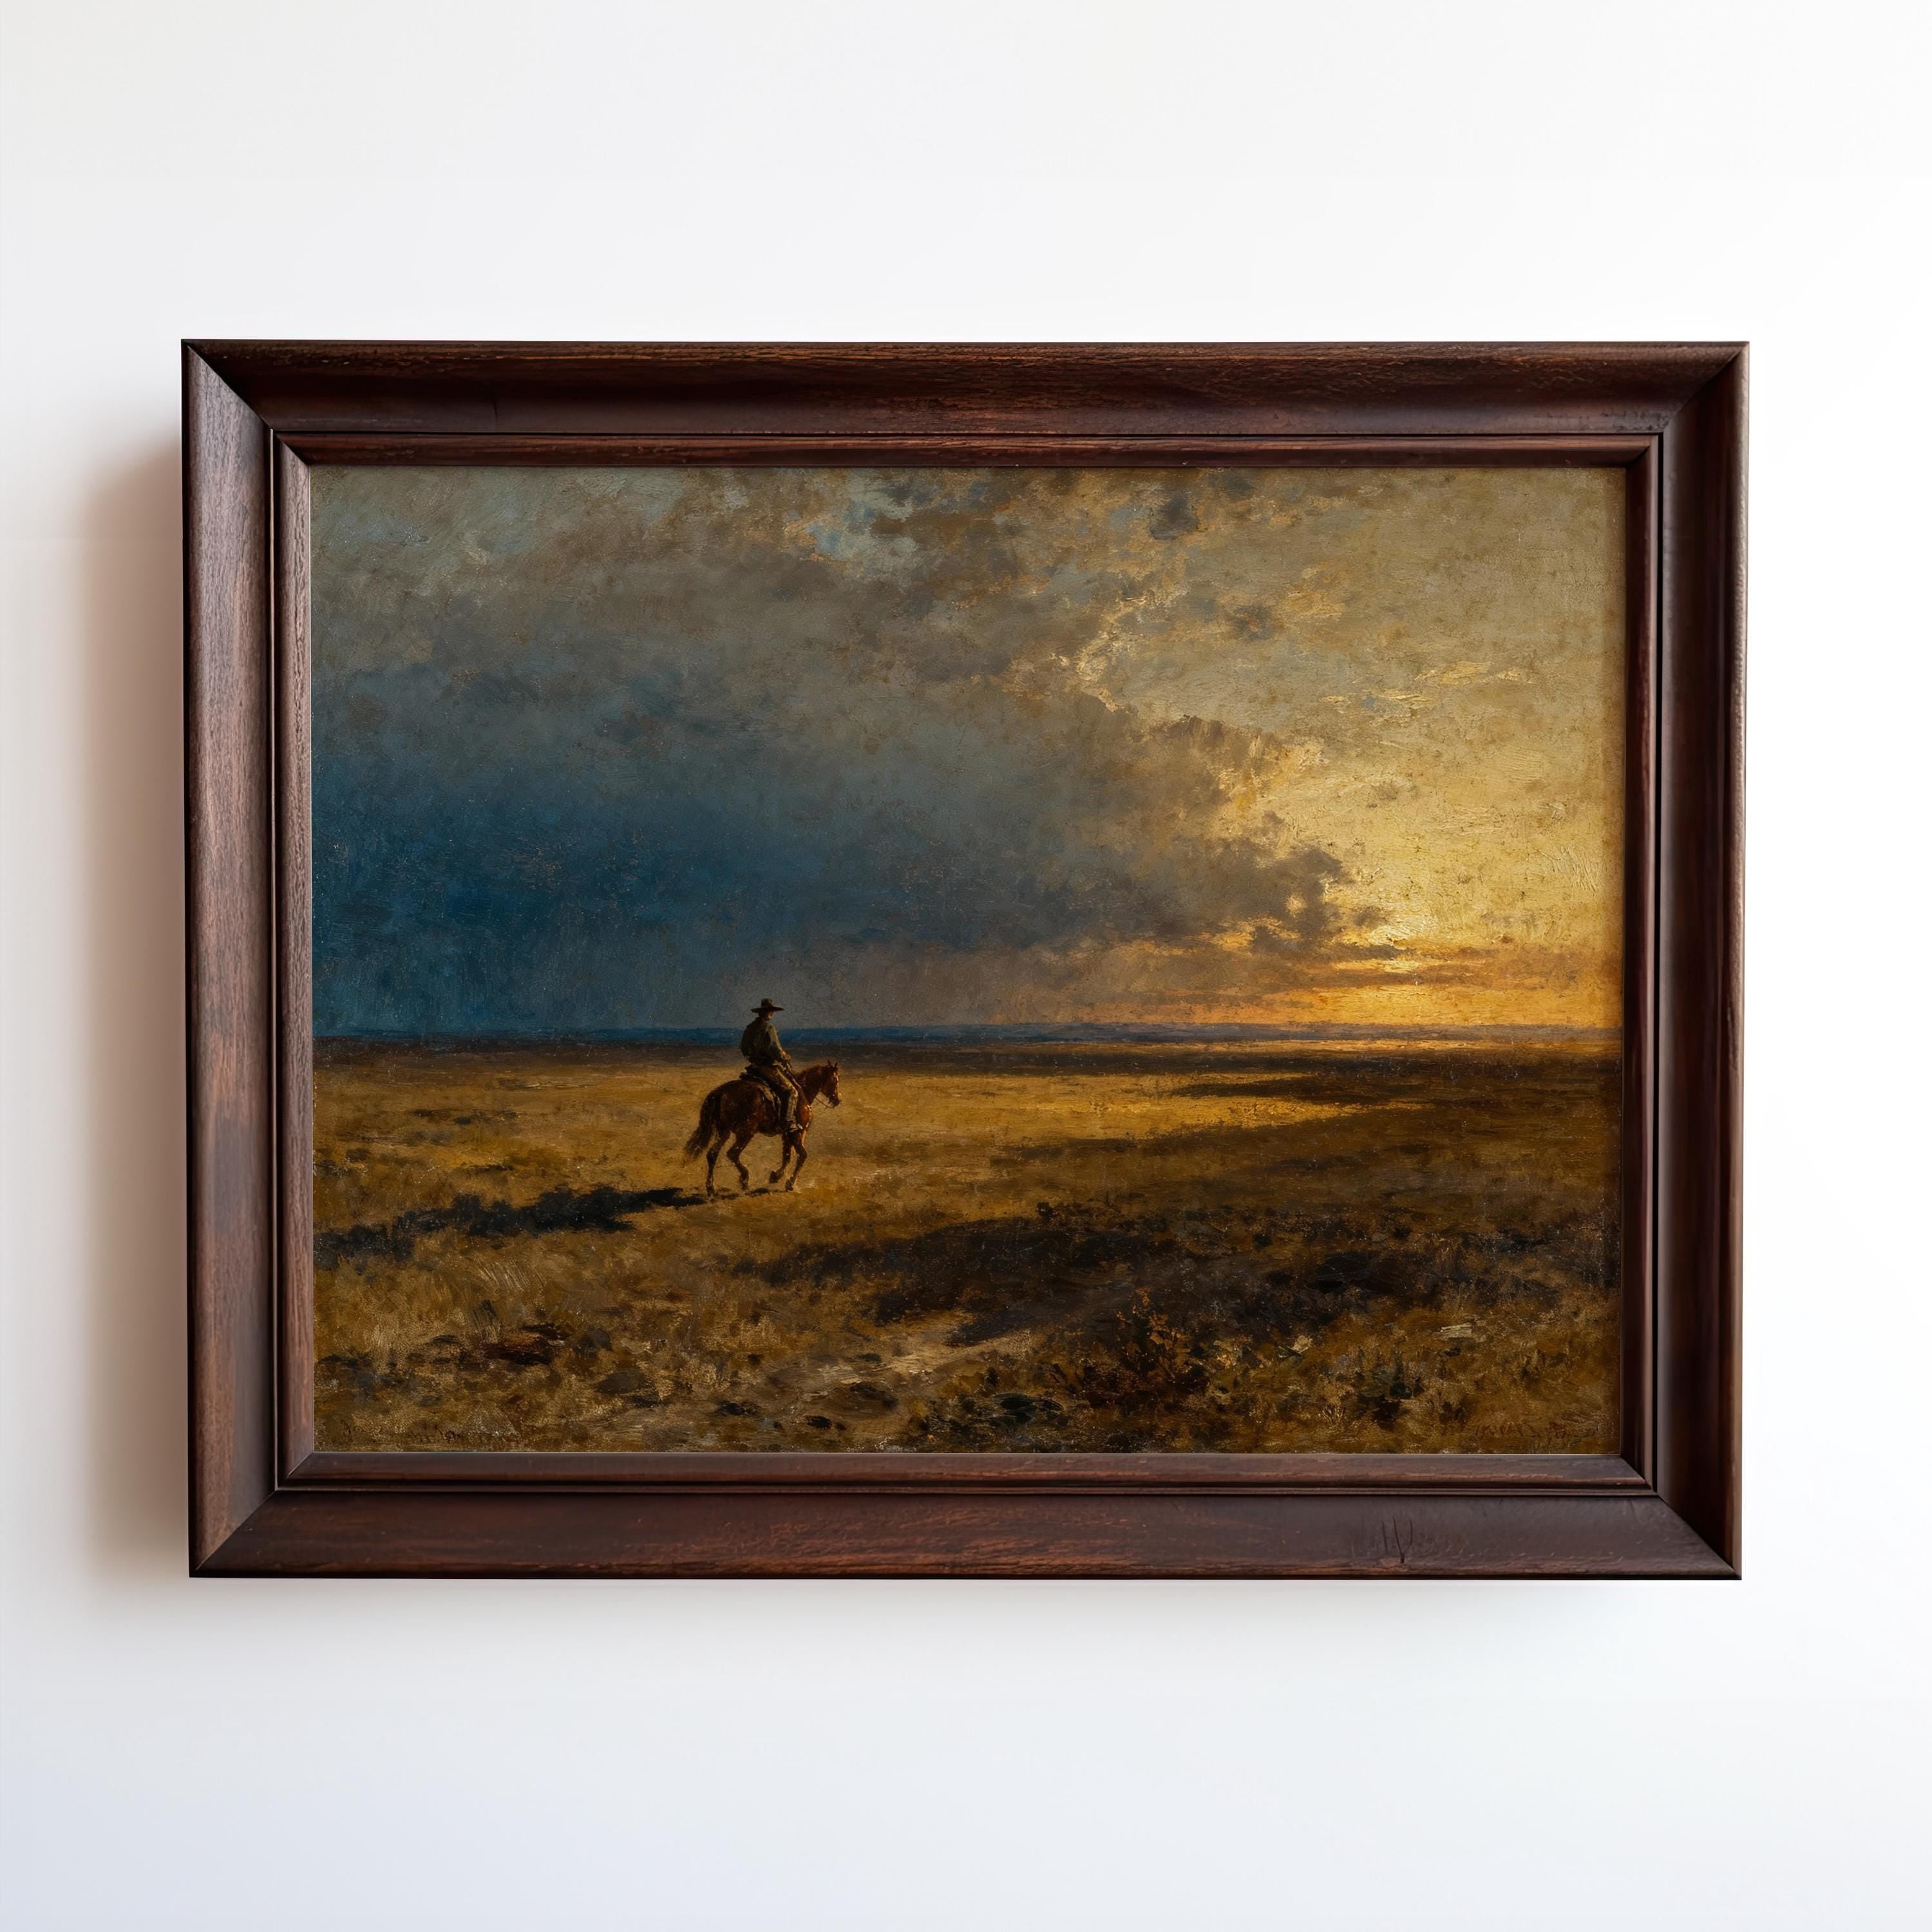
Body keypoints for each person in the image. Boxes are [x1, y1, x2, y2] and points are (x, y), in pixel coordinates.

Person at [739, 999, 802, 1132]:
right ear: (766, 1013)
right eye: (770, 1011)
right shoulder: (769, 1028)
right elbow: (776, 1050)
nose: (771, 1014)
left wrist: (753, 1057)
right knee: (791, 1092)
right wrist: (784, 1056)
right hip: (767, 1068)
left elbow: (743, 1048)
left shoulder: (750, 1028)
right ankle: (786, 1123)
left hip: (753, 1067)